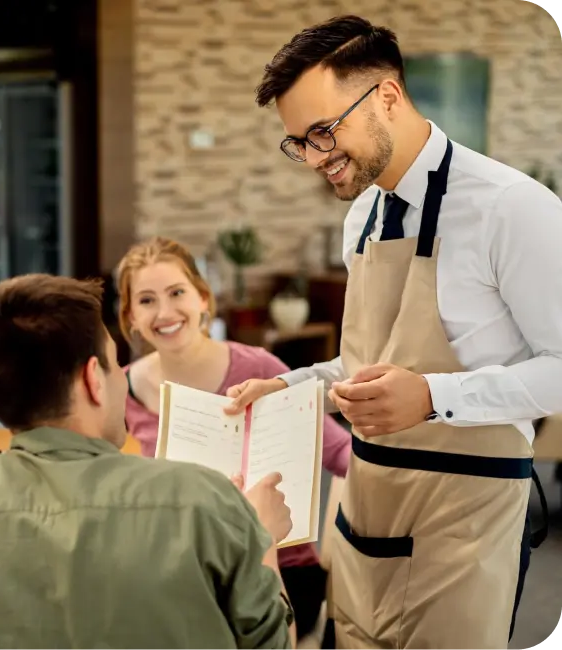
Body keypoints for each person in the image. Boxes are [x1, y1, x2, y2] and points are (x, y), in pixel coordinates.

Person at [224, 15, 561, 650]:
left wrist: (434, 397)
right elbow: (364, 368)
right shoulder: (363, 218)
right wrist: (290, 388)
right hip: (365, 515)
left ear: (386, 96)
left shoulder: (513, 208)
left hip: (464, 526)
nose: (315, 158)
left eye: (324, 132)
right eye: (299, 142)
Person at [0, 274, 296, 650]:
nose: (121, 381)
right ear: (93, 378)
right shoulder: (205, 501)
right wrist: (262, 539)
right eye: (113, 363)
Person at [116, 236, 351, 641]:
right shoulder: (123, 389)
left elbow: (341, 452)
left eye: (177, 293)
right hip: (188, 568)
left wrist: (342, 537)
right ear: (131, 317)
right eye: (147, 300)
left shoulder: (257, 368)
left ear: (203, 299)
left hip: (281, 566)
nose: (165, 312)